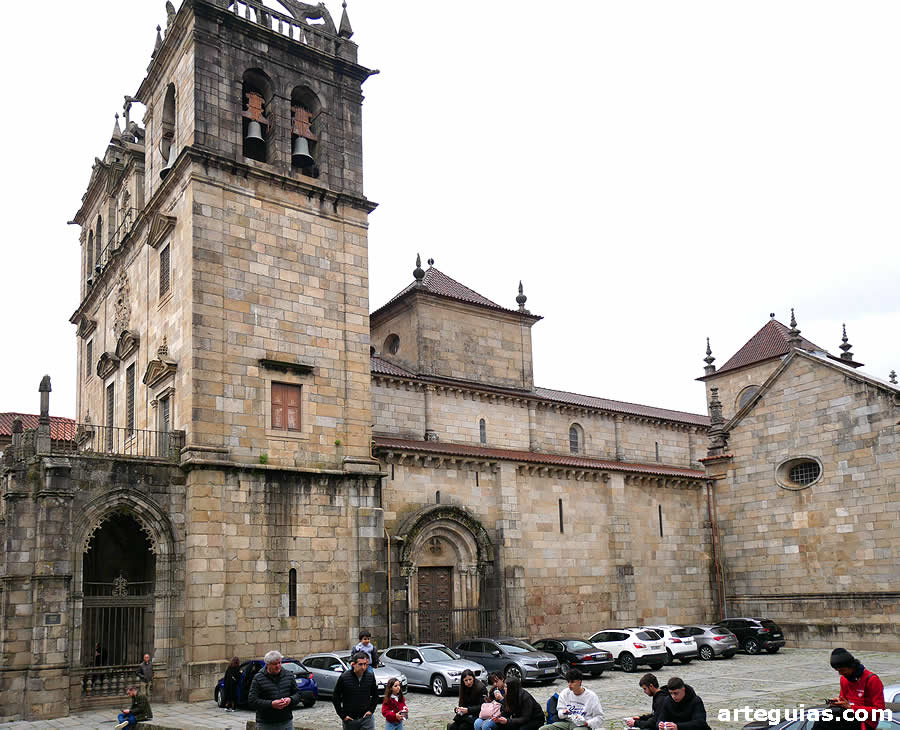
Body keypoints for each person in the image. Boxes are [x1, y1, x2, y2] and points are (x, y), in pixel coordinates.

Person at [827, 647, 886, 730]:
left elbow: (880, 711)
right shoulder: (844, 679)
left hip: (865, 724)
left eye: (842, 670)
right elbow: (843, 700)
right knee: (825, 717)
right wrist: (838, 703)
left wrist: (851, 708)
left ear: (852, 666)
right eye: (838, 671)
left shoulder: (872, 680)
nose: (840, 674)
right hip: (849, 718)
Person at [247, 650, 302, 730]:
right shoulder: (258, 678)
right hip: (266, 724)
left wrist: (290, 699)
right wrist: (271, 704)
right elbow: (252, 700)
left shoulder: (288, 675)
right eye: (274, 664)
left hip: (286, 722)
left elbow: (298, 694)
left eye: (279, 663)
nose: (278, 666)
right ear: (268, 664)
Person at [539, 668, 604, 729]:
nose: (569, 684)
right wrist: (565, 712)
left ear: (579, 682)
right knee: (544, 728)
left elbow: (599, 718)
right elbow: (560, 714)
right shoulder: (565, 693)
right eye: (568, 682)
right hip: (568, 723)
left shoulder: (591, 696)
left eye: (572, 682)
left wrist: (587, 723)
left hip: (584, 725)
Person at [333, 651, 380, 729]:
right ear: (353, 664)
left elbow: (375, 695)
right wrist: (343, 715)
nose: (363, 667)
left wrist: (371, 710)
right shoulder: (344, 677)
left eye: (365, 664)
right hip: (350, 719)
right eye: (360, 664)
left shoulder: (370, 676)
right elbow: (336, 697)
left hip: (366, 718)